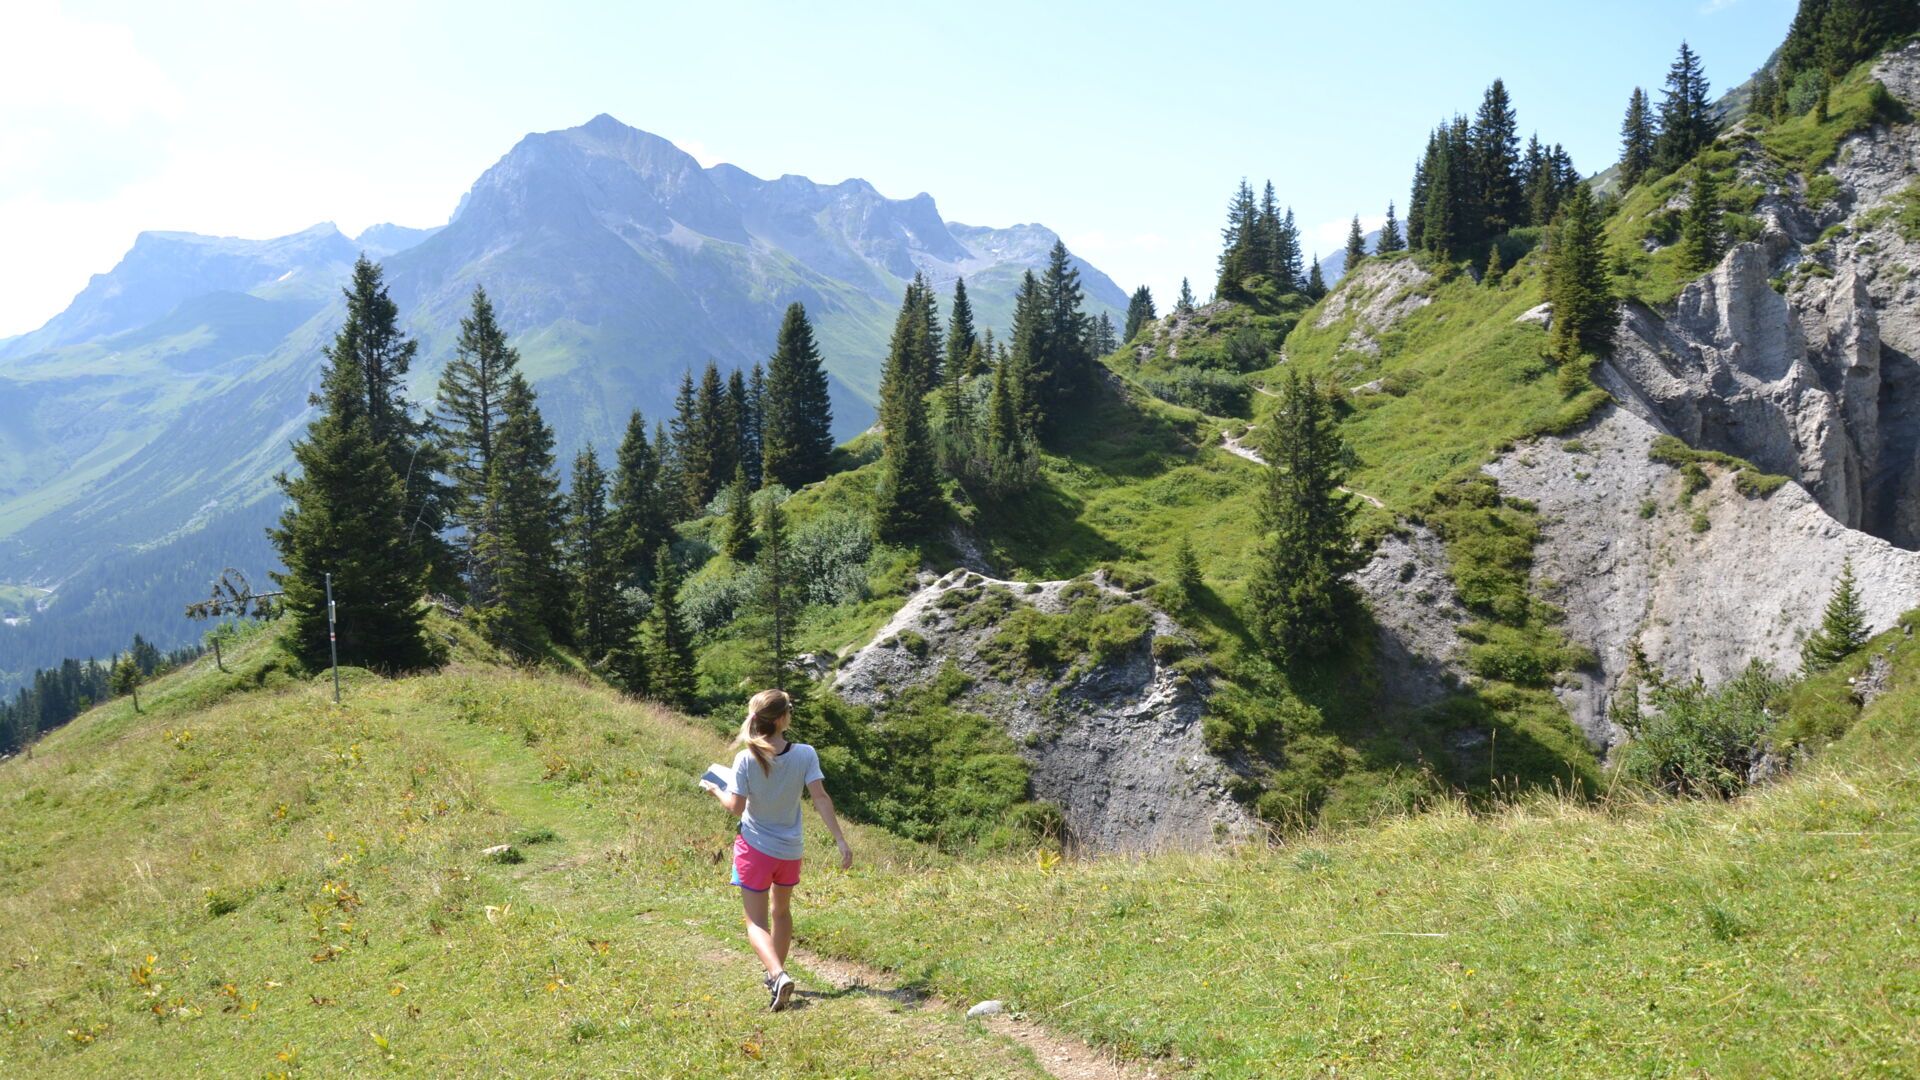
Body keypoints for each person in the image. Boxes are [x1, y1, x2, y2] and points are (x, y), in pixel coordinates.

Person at [700, 688, 853, 1011]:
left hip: (754, 848)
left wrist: (715, 789)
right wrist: (840, 840)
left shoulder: (746, 757)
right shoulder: (806, 754)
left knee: (755, 922)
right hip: (790, 851)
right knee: (781, 912)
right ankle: (776, 980)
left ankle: (778, 974)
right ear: (783, 719)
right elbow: (821, 798)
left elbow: (736, 808)